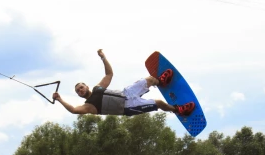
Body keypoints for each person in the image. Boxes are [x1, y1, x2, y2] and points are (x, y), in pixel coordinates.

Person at [52, 49, 196, 116]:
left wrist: (103, 57)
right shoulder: (89, 107)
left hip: (127, 93)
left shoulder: (97, 88)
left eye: (81, 87)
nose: (80, 90)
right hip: (128, 107)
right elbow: (73, 110)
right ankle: (177, 110)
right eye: (78, 91)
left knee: (149, 79)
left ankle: (159, 82)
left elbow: (109, 74)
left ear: (86, 86)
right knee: (158, 103)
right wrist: (59, 99)